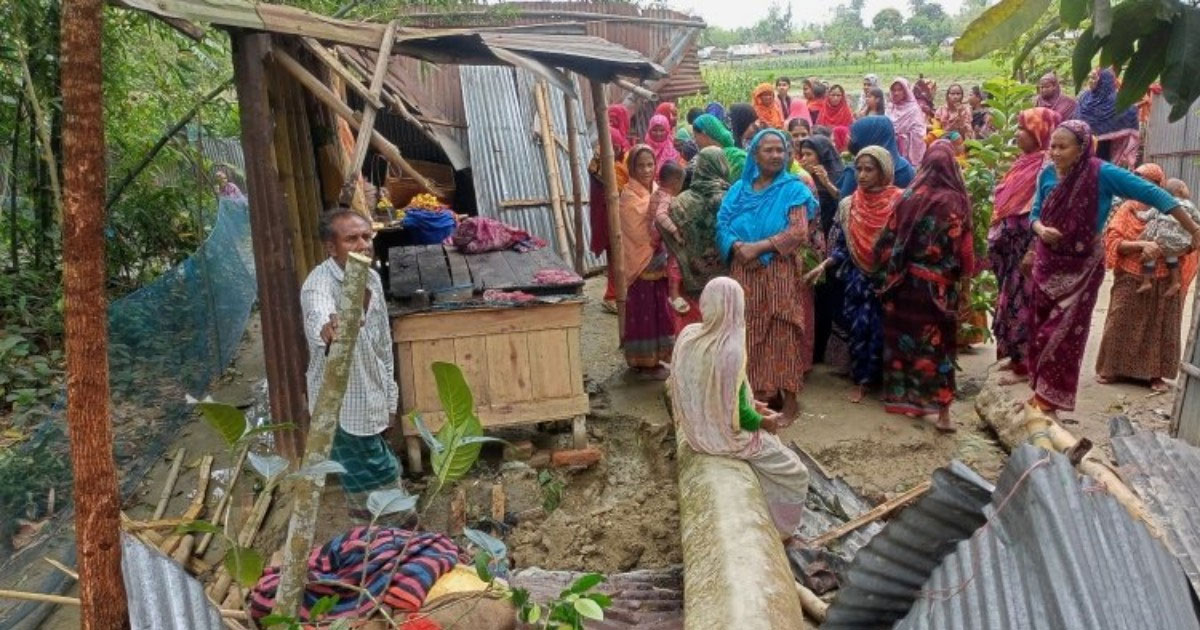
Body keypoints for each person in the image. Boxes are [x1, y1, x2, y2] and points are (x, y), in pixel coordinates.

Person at [1027, 121, 1200, 415]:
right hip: (1047, 264)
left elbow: (1156, 195)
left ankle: (1048, 400)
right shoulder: (1047, 174)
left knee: (1064, 334)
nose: (1054, 152)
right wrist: (1041, 229)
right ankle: (1038, 390)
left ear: (1082, 148)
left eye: (1062, 147)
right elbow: (1034, 214)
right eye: (1052, 146)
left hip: (1082, 268)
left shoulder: (1102, 173)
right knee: (1040, 331)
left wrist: (1193, 229)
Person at [668, 277, 810, 540]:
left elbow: (706, 389)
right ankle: (783, 533)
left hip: (696, 429)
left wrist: (752, 404)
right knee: (795, 473)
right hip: (722, 437)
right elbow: (739, 416)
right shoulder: (730, 347)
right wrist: (765, 422)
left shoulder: (689, 336)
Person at [302, 210, 401, 513]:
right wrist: (330, 329)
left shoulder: (371, 278)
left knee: (378, 474)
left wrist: (390, 400)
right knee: (377, 477)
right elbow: (319, 316)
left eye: (367, 237)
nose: (363, 245)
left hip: (372, 397)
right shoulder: (318, 286)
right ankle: (390, 530)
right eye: (351, 239)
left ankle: (384, 532)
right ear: (331, 247)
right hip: (343, 408)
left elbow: (382, 343)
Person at [717, 129, 819, 420]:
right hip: (744, 272)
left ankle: (790, 402)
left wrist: (759, 247)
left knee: (783, 331)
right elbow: (722, 223)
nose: (776, 155)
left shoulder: (794, 189)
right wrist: (737, 247)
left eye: (780, 150)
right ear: (755, 154)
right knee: (747, 331)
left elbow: (798, 231)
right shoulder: (739, 189)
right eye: (768, 150)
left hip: (779, 271)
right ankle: (756, 396)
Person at [874, 141, 973, 431]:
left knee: (906, 343)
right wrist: (966, 288)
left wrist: (887, 275)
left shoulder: (908, 197)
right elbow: (965, 251)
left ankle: (911, 403)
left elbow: (886, 240)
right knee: (939, 348)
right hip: (939, 289)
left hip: (906, 285)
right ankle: (943, 413)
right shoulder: (956, 201)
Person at [806, 147, 903, 401]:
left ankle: (886, 381)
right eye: (858, 169)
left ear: (884, 171)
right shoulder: (849, 205)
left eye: (869, 170)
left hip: (890, 279)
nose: (861, 175)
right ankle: (862, 380)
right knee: (860, 328)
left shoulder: (900, 202)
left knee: (887, 330)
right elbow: (842, 246)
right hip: (858, 279)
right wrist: (825, 264)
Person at [1094, 173, 1200, 392]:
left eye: (1147, 182)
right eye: (1137, 180)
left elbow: (1193, 239)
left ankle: (1155, 375)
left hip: (1166, 274)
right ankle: (1111, 369)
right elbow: (1113, 241)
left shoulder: (1175, 208)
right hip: (1131, 273)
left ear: (1158, 186)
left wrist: (1173, 247)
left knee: (1160, 325)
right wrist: (1142, 245)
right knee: (1120, 319)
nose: (1139, 185)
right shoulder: (1128, 209)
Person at [989, 107, 1061, 384]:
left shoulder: (1047, 169)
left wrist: (1033, 249)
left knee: (1028, 306)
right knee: (1011, 303)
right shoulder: (1022, 164)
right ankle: (1016, 357)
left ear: (1040, 133)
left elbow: (1046, 212)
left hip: (1030, 251)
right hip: (1012, 252)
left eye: (1024, 129)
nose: (1017, 134)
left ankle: (1028, 366)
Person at [619, 145, 676, 379]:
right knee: (643, 310)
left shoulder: (656, 190)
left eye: (650, 164)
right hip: (641, 262)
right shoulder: (628, 197)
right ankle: (643, 362)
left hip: (658, 261)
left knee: (660, 309)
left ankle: (657, 358)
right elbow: (636, 231)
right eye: (640, 165)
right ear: (632, 168)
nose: (646, 170)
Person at [662, 147, 731, 330]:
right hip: (726, 278)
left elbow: (665, 230)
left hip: (690, 278)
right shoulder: (732, 199)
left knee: (693, 330)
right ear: (722, 166)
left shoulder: (680, 201)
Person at [798, 135, 844, 364]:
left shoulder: (839, 175)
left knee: (826, 297)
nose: (804, 159)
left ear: (822, 155)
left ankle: (822, 349)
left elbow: (844, 204)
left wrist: (826, 183)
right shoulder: (802, 181)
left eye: (809, 154)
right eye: (802, 154)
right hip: (812, 246)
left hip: (833, 246)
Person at [1133, 170, 1200, 295]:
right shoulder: (1189, 205)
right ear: (1180, 190)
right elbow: (1198, 219)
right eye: (1186, 187)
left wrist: (1136, 213)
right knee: (1172, 257)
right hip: (1180, 243)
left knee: (1151, 254)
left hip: (1161, 241)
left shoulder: (1161, 202)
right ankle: (1175, 282)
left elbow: (1146, 216)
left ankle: (1146, 281)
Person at [589, 118, 631, 314]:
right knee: (615, 257)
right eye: (613, 146)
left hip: (619, 215)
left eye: (618, 145)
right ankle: (612, 296)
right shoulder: (600, 164)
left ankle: (617, 293)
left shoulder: (620, 161)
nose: (617, 149)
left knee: (620, 257)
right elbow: (615, 190)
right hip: (609, 217)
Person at [651, 162, 693, 324]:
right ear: (676, 182)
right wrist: (675, 231)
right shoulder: (666, 198)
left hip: (653, 237)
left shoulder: (657, 193)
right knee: (675, 260)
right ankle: (674, 294)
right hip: (657, 238)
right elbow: (660, 216)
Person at [836, 116, 916, 197]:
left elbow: (843, 200)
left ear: (865, 139)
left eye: (853, 136)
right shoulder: (906, 168)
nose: (849, 140)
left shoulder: (857, 171)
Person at [1076, 68, 1140, 167]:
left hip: (1106, 148)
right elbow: (1076, 119)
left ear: (1104, 81)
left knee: (1101, 168)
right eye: (1089, 78)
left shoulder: (1117, 101)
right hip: (1083, 146)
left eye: (1094, 78)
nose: (1090, 81)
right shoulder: (1084, 97)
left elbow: (1129, 111)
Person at [693, 113, 747, 181]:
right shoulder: (708, 159)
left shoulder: (738, 158)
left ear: (704, 134)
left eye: (695, 136)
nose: (695, 141)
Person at [887, 78, 928, 166]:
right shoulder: (890, 107)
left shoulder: (913, 109)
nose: (896, 93)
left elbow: (919, 133)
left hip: (907, 151)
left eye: (899, 90)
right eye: (894, 90)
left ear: (906, 91)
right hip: (890, 147)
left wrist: (903, 139)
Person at [818, 84, 856, 151]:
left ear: (842, 97)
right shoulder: (824, 110)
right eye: (833, 95)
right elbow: (818, 128)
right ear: (828, 95)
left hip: (843, 147)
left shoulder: (846, 111)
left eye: (838, 95)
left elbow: (850, 131)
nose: (835, 98)